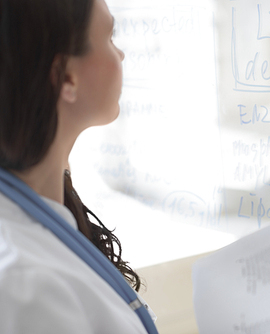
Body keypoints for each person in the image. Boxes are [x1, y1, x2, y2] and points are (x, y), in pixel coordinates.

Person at [0, 0, 156, 332]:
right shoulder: (23, 283)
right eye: (110, 37)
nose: (121, 55)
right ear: (66, 76)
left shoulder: (45, 210)